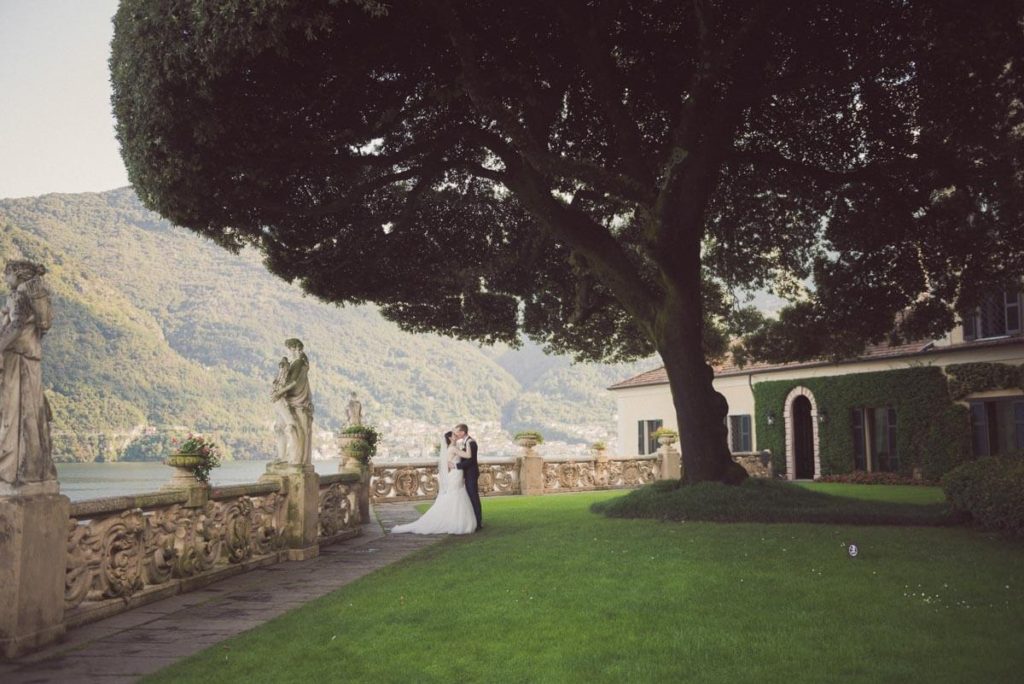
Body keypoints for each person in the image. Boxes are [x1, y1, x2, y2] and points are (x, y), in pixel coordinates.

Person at [0, 259, 57, 487]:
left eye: (7, 274)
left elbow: (14, 327)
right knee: (32, 415)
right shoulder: (35, 297)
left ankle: (11, 470)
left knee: (11, 414)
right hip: (32, 359)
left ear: (17, 274)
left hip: (16, 358)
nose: (5, 279)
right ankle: (33, 469)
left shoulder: (18, 297)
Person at [391, 431, 477, 535]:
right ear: (450, 438)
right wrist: (468, 443)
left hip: (455, 474)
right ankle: (455, 522)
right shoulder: (453, 448)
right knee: (456, 495)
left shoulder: (451, 448)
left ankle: (453, 520)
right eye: (454, 435)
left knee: (456, 495)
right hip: (455, 474)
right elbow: (468, 455)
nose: (456, 436)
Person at [270, 338, 313, 465]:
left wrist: (279, 392)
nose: (288, 351)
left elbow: (293, 382)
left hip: (291, 400)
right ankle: (282, 456)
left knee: (290, 427)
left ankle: (293, 457)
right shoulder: (297, 362)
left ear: (295, 348)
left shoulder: (298, 362)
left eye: (289, 349)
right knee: (278, 428)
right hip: (287, 399)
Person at [452, 423, 482, 531]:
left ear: (462, 432)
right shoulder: (464, 442)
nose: (455, 434)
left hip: (472, 474)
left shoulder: (471, 442)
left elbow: (471, 460)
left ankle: (478, 523)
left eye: (457, 432)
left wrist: (457, 466)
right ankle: (474, 520)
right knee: (470, 497)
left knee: (474, 497)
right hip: (468, 474)